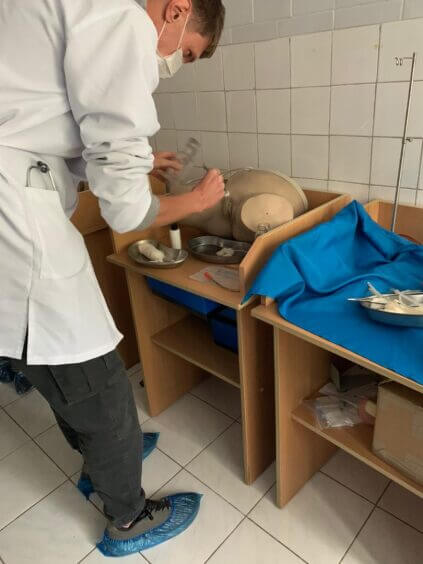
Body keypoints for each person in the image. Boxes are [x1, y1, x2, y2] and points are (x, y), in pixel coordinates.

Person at [0, 0, 225, 557]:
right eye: (186, 53)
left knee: (51, 360)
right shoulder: (122, 15)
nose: (173, 64)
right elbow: (125, 212)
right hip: (15, 209)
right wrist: (194, 202)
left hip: (17, 183)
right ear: (176, 11)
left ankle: (100, 460)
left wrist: (139, 160)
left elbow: (56, 123)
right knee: (97, 378)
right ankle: (128, 515)